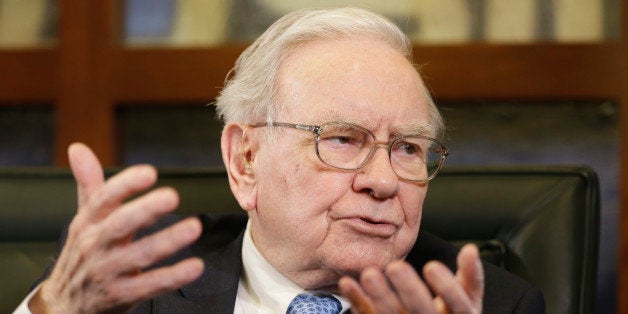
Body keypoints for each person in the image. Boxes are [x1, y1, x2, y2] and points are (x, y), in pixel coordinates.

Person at [15, 7, 544, 314]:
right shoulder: (136, 280)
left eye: (407, 148)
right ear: (246, 161)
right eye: (343, 139)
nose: (384, 181)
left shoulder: (492, 305)